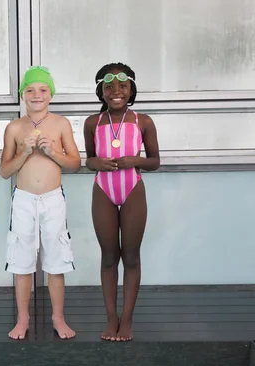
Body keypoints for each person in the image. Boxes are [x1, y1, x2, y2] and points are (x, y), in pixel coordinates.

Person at [0, 66, 81, 340]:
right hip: (23, 200)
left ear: (51, 94)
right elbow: (4, 171)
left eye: (43, 90)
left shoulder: (60, 124)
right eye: (30, 90)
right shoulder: (14, 127)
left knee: (56, 261)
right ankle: (23, 319)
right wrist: (24, 152)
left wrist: (52, 151)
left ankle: (58, 318)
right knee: (22, 262)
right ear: (23, 94)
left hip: (52, 199)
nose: (36, 94)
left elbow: (75, 163)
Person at [83, 62, 160, 342]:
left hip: (132, 189)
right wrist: (96, 162)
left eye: (122, 86)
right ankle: (111, 318)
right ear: (101, 91)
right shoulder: (93, 122)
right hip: (103, 190)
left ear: (131, 91)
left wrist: (135, 161)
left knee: (130, 256)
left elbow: (154, 161)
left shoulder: (143, 121)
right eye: (109, 87)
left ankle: (126, 320)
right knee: (108, 257)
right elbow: (89, 159)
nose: (116, 91)